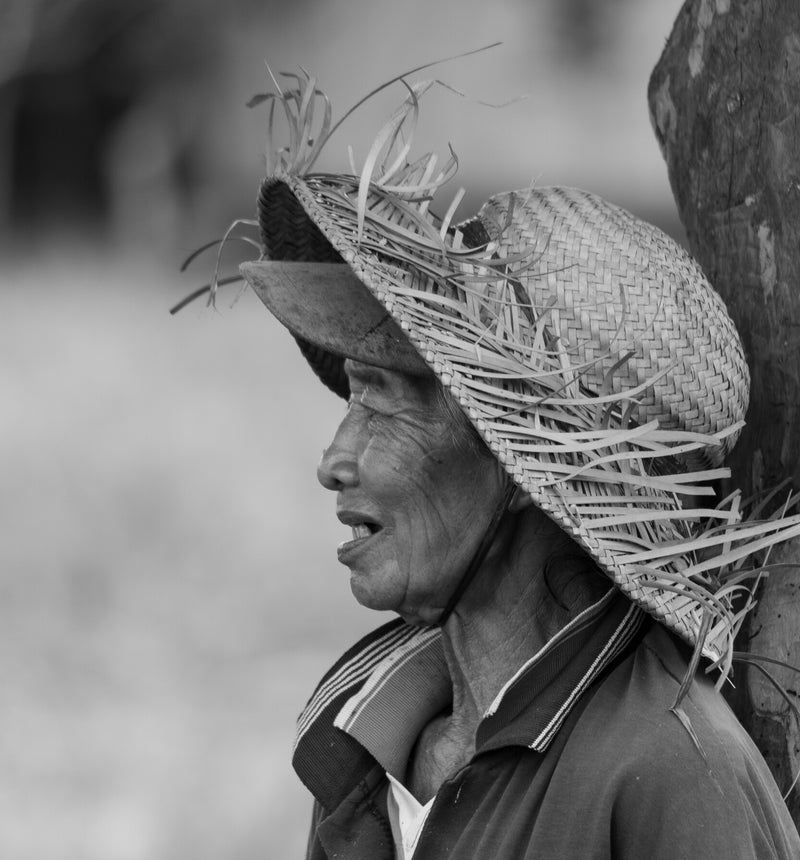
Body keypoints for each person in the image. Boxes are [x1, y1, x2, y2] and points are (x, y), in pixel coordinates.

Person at [216, 73, 800, 858]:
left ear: (523, 466)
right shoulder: (369, 742)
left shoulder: (674, 775)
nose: (335, 461)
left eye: (387, 403)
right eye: (351, 398)